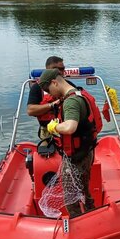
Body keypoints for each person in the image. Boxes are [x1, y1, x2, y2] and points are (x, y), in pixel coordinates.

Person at [38, 68, 97, 217]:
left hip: (76, 157)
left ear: (54, 83)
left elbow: (70, 127)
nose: (50, 94)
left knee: (70, 195)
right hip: (86, 151)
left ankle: (78, 222)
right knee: (84, 188)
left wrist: (54, 126)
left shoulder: (71, 102)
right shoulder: (78, 93)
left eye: (48, 90)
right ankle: (91, 212)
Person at [27, 56, 67, 139]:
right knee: (44, 149)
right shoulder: (37, 88)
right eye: (55, 69)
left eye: (62, 69)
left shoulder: (69, 87)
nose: (59, 72)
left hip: (67, 127)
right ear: (47, 69)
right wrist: (52, 105)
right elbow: (30, 110)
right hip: (47, 130)